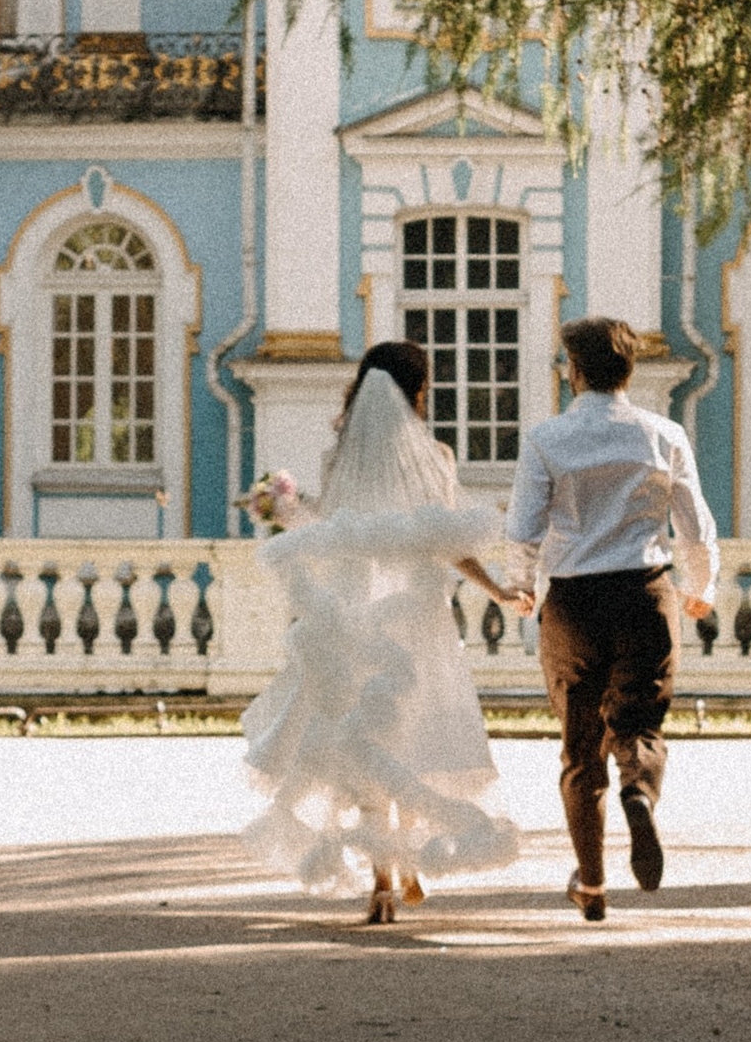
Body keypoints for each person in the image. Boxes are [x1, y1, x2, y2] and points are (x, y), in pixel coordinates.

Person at [240, 342, 522, 923]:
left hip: (355, 612)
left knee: (359, 734)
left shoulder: (339, 458)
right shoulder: (436, 457)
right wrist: (497, 589)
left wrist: (284, 507)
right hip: (417, 612)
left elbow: (334, 529)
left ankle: (382, 882)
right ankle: (408, 860)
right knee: (412, 732)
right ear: (417, 391)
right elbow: (448, 543)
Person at [506, 313, 720, 922]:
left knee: (580, 747)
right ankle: (639, 792)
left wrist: (522, 586)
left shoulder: (547, 439)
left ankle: (593, 883)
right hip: (644, 594)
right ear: (628, 370)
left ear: (573, 371)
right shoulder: (663, 435)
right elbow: (694, 525)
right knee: (639, 724)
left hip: (574, 602)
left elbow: (523, 528)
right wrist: (701, 586)